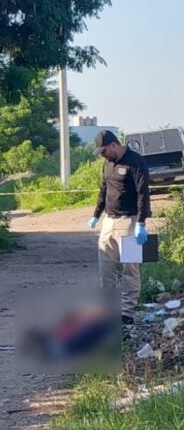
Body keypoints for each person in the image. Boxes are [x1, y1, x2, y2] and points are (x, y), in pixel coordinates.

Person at [89, 130, 150, 324]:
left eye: (104, 151)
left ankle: (127, 313)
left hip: (130, 222)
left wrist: (141, 223)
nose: (102, 155)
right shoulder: (107, 164)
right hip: (109, 222)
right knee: (106, 269)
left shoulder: (135, 161)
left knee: (130, 269)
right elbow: (103, 189)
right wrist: (96, 215)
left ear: (113, 145)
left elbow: (143, 193)